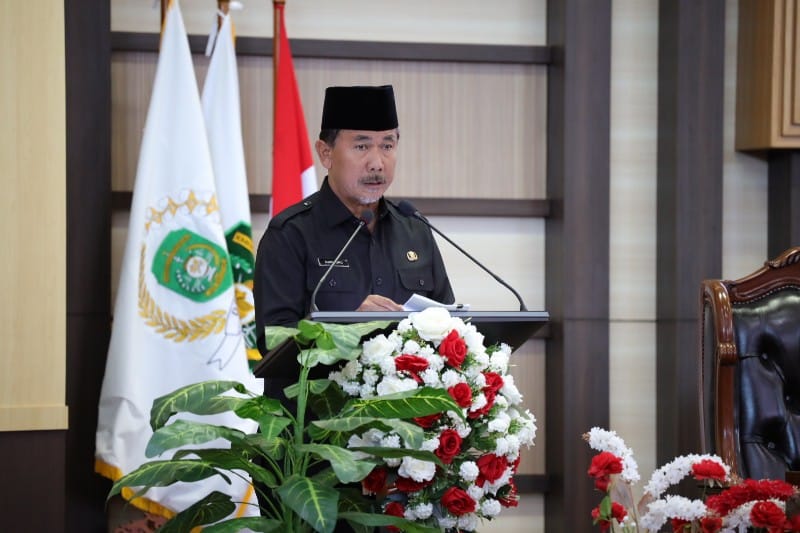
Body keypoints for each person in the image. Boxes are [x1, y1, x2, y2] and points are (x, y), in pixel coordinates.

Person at [254, 84, 454, 353]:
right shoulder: (290, 234)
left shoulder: (414, 229)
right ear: (326, 153)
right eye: (362, 146)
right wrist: (349, 329)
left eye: (387, 145)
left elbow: (450, 326)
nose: (377, 163)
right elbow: (273, 342)